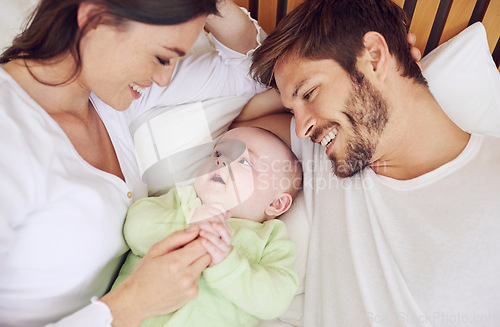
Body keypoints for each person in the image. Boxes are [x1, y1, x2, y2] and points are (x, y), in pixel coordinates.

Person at [0, 0, 268, 326]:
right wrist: (132, 304)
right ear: (94, 19)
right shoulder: (10, 133)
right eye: (161, 58)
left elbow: (255, 72)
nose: (164, 79)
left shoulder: (111, 100)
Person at [233, 0, 500, 326]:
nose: (302, 126)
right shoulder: (331, 155)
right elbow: (242, 128)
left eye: (309, 93)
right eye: (292, 110)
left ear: (374, 56)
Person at [112, 126, 302, 327]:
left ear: (276, 204)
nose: (220, 161)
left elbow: (275, 301)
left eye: (245, 161)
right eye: (218, 153)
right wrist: (187, 223)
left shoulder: (270, 238)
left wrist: (228, 264)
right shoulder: (183, 200)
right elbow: (134, 230)